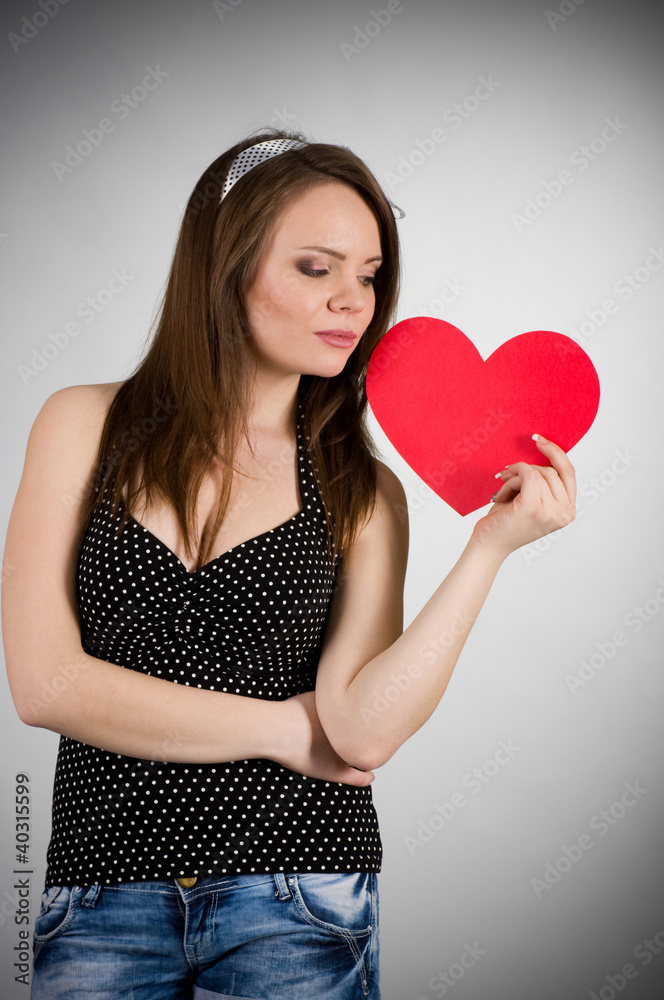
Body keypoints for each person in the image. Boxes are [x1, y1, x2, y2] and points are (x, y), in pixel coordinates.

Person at [2, 129, 576, 999]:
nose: (355, 300)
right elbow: (45, 685)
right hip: (97, 892)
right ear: (225, 268)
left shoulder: (360, 487)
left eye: (370, 274)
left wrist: (489, 549)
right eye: (317, 268)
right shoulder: (81, 426)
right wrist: (281, 729)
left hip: (298, 891)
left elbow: (363, 731)